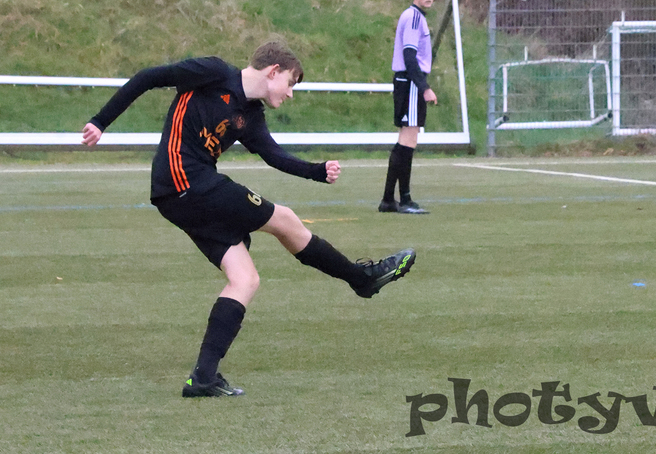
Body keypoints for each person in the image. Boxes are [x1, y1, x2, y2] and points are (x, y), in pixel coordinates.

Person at [82, 41, 416, 398]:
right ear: (273, 71)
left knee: (245, 279)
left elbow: (273, 155)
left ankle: (203, 378)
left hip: (181, 195)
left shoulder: (251, 115)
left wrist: (316, 171)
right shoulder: (213, 73)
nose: (290, 93)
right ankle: (361, 278)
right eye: (290, 83)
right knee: (284, 218)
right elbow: (148, 77)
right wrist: (100, 122)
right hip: (184, 180)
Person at [379, 0, 437, 215]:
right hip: (410, 83)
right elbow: (409, 56)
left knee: (405, 139)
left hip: (408, 82)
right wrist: (424, 87)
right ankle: (404, 199)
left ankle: (389, 199)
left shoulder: (416, 17)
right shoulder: (413, 17)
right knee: (408, 140)